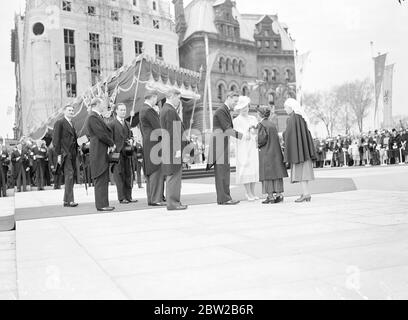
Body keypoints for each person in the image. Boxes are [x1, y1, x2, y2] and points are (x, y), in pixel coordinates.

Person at [207, 91, 243, 205]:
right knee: (222, 172)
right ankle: (224, 198)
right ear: (229, 97)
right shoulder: (221, 111)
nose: (236, 104)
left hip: (222, 144)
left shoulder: (224, 110)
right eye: (235, 101)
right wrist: (243, 136)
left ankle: (225, 197)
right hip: (219, 146)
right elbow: (227, 129)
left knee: (224, 171)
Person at [85, 97, 116, 212]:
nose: (103, 105)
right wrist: (111, 143)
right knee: (100, 177)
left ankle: (104, 203)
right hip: (98, 151)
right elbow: (101, 133)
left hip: (101, 150)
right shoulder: (93, 117)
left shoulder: (97, 116)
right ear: (97, 104)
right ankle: (101, 204)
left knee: (103, 178)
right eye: (102, 103)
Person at [283, 98, 316, 203]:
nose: (285, 109)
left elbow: (288, 134)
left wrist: (283, 135)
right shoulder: (301, 117)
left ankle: (306, 194)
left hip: (298, 151)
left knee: (301, 172)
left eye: (286, 107)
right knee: (304, 172)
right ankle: (306, 192)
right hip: (304, 150)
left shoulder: (292, 118)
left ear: (291, 108)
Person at [160, 89, 188, 211]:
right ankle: (173, 203)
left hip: (169, 148)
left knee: (173, 175)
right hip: (173, 149)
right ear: (171, 96)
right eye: (178, 98)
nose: (179, 101)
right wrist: (178, 150)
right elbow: (174, 132)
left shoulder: (166, 109)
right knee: (174, 176)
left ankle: (174, 201)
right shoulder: (170, 111)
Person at [256, 105, 288, 204]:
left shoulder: (261, 125)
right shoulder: (272, 124)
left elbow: (262, 140)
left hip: (266, 152)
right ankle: (279, 195)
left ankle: (270, 197)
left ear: (260, 114)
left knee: (267, 175)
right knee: (276, 173)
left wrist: (256, 141)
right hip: (276, 152)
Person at [139, 91, 166, 207]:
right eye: (155, 98)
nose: (156, 100)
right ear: (152, 98)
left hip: (148, 143)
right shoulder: (149, 110)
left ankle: (152, 198)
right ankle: (156, 199)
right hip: (155, 144)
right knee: (156, 171)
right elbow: (158, 128)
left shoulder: (142, 110)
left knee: (150, 172)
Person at [109, 103, 137, 204]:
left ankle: (129, 196)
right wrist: (112, 146)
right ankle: (122, 197)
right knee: (119, 175)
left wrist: (131, 140)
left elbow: (131, 136)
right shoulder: (112, 124)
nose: (123, 112)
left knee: (128, 174)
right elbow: (109, 138)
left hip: (127, 152)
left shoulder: (127, 124)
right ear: (116, 111)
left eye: (124, 110)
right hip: (117, 153)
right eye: (121, 110)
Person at [233, 96, 259, 201]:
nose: (245, 109)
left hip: (253, 147)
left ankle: (253, 192)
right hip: (243, 148)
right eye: (243, 108)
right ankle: (248, 193)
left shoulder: (253, 118)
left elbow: (258, 130)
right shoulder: (236, 120)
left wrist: (254, 132)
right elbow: (234, 134)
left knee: (253, 169)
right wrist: (245, 134)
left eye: (246, 107)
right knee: (246, 170)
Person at [53, 105, 79, 207]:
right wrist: (59, 154)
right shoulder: (60, 122)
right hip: (65, 153)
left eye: (72, 110)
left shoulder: (72, 123)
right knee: (69, 175)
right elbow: (56, 140)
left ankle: (66, 200)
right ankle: (70, 200)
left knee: (71, 176)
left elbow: (74, 139)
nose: (71, 112)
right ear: (64, 111)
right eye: (69, 110)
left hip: (73, 153)